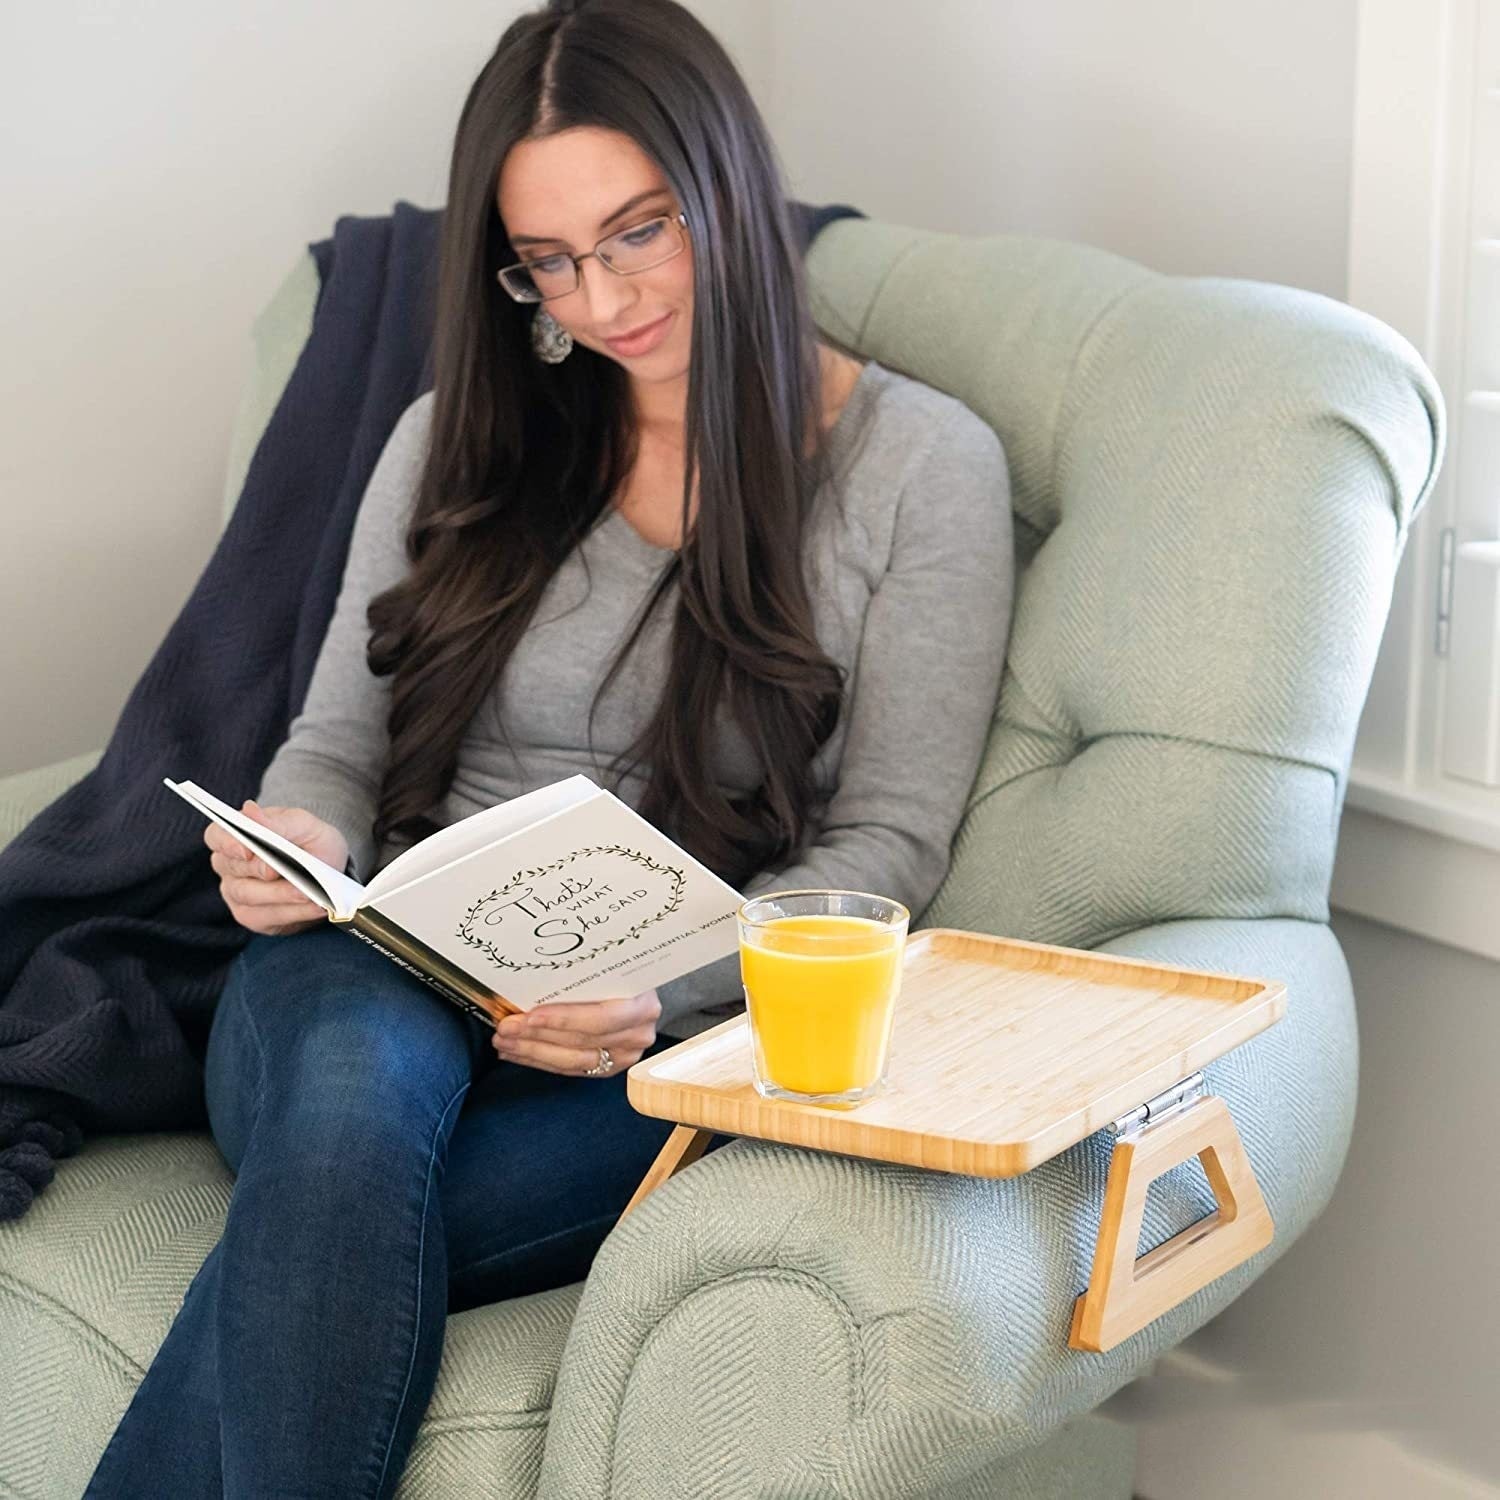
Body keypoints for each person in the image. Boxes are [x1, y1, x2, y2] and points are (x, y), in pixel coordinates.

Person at [83, 0, 1014, 1493]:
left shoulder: (921, 467)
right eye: (553, 261)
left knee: (327, 1224)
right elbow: (337, 738)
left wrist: (660, 986)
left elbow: (888, 849)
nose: (604, 297)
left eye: (640, 231)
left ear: (724, 184)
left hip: (655, 1037)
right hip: (375, 970)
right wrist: (308, 838)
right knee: (346, 1105)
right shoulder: (465, 432)